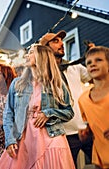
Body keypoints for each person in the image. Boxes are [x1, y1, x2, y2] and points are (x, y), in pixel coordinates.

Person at [0, 44, 75, 168]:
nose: (27, 55)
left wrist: (49, 113)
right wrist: (9, 139)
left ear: (42, 57)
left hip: (51, 137)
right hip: (24, 138)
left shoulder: (56, 83)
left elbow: (69, 112)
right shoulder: (17, 83)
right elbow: (8, 114)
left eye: (31, 52)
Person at [40, 30, 93, 168]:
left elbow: (95, 77)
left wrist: (94, 55)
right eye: (55, 41)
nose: (61, 44)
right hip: (63, 135)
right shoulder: (41, 74)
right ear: (45, 48)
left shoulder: (74, 67)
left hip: (85, 129)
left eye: (61, 41)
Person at [78, 46, 109, 169]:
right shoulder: (83, 99)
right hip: (100, 161)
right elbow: (89, 128)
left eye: (98, 60)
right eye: (89, 62)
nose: (93, 64)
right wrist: (85, 134)